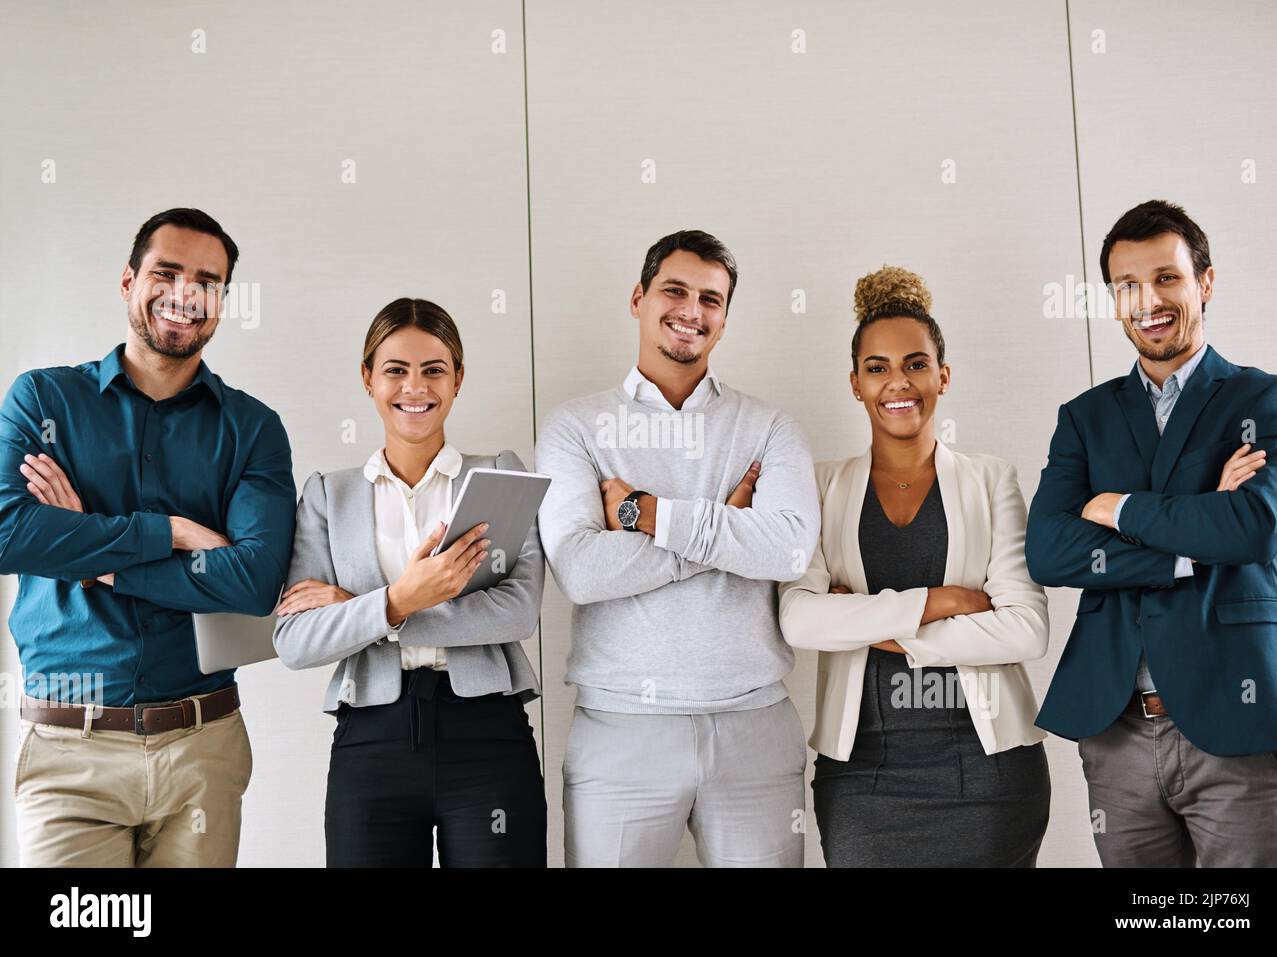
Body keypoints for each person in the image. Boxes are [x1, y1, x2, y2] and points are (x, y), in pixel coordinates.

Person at [1, 207, 296, 866]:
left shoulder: (251, 429)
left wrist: (86, 550)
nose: (187, 294)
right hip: (67, 751)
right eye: (167, 272)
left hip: (202, 747)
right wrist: (172, 532)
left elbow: (252, 582)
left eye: (208, 281)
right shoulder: (43, 401)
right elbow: (6, 531)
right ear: (129, 282)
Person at [535, 229, 821, 867]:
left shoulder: (770, 426)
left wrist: (643, 514)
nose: (691, 311)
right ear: (638, 298)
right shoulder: (575, 427)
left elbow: (787, 551)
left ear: (725, 318)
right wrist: (725, 527)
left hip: (756, 728)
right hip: (620, 728)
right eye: (675, 290)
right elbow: (580, 571)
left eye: (710, 299)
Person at [1028, 199, 1277, 866]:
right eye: (1127, 285)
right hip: (1117, 728)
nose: (1148, 300)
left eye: (1167, 278)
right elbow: (1049, 549)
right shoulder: (1085, 418)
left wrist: (1119, 506)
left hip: (1235, 721)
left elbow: (1254, 526)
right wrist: (1192, 535)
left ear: (1205, 282)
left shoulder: (1269, 400)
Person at [779, 265, 1051, 867]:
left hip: (990, 772)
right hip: (861, 777)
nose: (897, 382)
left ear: (943, 375)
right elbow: (798, 621)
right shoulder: (820, 487)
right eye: (877, 368)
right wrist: (941, 601)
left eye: (915, 364)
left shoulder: (989, 480)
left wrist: (867, 624)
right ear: (855, 383)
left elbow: (1026, 630)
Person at [272, 297, 546, 867]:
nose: (414, 387)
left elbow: (518, 612)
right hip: (372, 739)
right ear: (368, 378)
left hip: (487, 734)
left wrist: (372, 612)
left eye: (434, 369)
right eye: (395, 369)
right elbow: (295, 642)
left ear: (458, 378)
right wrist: (395, 601)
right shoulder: (329, 494)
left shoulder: (501, 474)